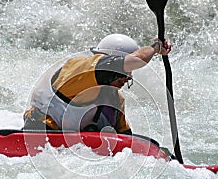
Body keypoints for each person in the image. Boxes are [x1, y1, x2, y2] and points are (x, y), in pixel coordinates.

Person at [23, 33, 171, 134]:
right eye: (125, 72)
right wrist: (156, 47)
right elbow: (134, 61)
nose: (128, 78)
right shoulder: (79, 70)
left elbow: (126, 140)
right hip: (41, 132)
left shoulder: (114, 100)